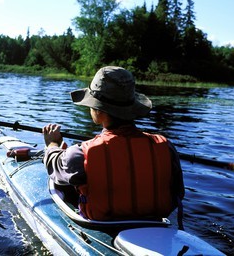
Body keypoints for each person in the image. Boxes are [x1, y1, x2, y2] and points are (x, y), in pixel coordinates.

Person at [42, 66, 184, 223]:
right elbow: (177, 193)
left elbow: (53, 168)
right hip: (153, 226)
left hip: (102, 228)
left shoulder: (80, 155)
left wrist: (52, 144)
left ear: (99, 111)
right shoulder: (166, 148)